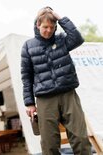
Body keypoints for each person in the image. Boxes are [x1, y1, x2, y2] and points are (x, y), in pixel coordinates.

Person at [20, 7, 92, 155]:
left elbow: (78, 38)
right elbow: (26, 76)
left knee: (80, 138)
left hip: (68, 94)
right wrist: (29, 103)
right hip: (45, 99)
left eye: (52, 27)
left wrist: (60, 17)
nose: (48, 31)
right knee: (49, 144)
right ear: (38, 25)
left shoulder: (61, 40)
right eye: (45, 27)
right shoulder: (28, 46)